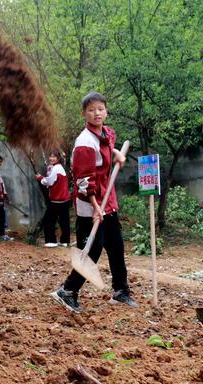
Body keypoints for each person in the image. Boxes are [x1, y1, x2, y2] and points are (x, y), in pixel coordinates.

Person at [51, 92, 138, 313]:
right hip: (89, 203)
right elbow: (82, 181)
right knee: (92, 248)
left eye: (100, 109)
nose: (96, 113)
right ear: (84, 114)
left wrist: (117, 153)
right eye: (91, 110)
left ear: (106, 111)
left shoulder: (105, 134)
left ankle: (121, 291)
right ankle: (68, 290)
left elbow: (107, 147)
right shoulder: (84, 143)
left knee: (116, 245)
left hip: (106, 200)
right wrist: (96, 206)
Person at [34, 150, 71, 247]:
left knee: (48, 220)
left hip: (57, 200)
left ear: (58, 158)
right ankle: (65, 241)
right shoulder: (59, 168)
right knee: (64, 221)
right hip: (64, 199)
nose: (51, 158)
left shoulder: (56, 168)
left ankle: (51, 241)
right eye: (50, 156)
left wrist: (40, 178)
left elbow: (49, 182)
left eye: (54, 156)